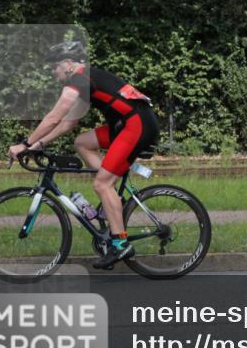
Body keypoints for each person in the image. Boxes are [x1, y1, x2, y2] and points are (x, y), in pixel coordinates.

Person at [8, 41, 160, 269]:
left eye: (54, 66)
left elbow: (53, 118)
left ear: (68, 64)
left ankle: (120, 245)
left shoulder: (79, 79)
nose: (52, 71)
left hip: (136, 125)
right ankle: (112, 199)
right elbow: (68, 124)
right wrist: (38, 144)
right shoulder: (85, 81)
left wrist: (24, 144)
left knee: (102, 184)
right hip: (127, 123)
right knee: (82, 142)